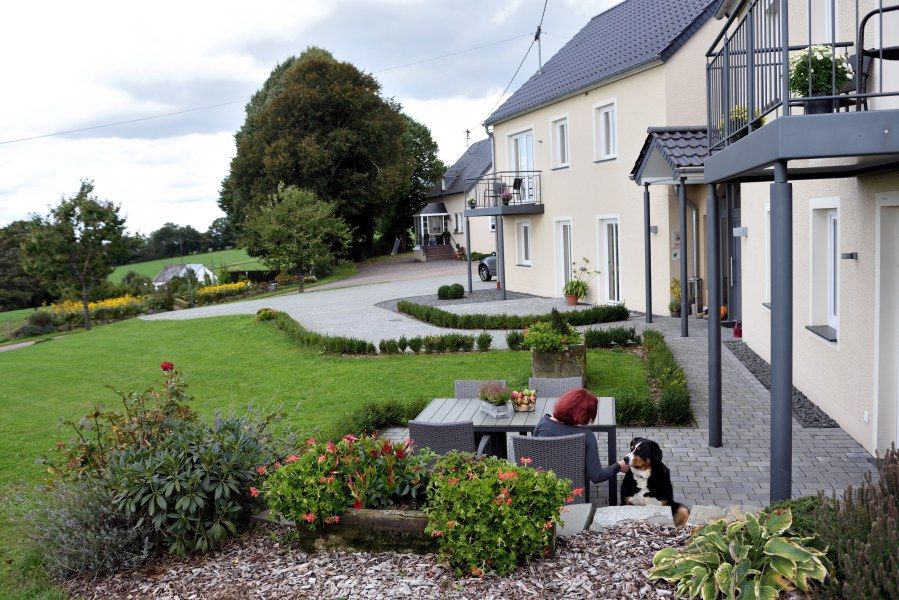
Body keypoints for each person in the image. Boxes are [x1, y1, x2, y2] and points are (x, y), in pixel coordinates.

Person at [533, 388, 629, 483]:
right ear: (585, 416)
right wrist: (618, 466)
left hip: (544, 487)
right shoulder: (587, 436)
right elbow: (597, 476)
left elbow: (534, 456)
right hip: (573, 490)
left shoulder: (543, 424)